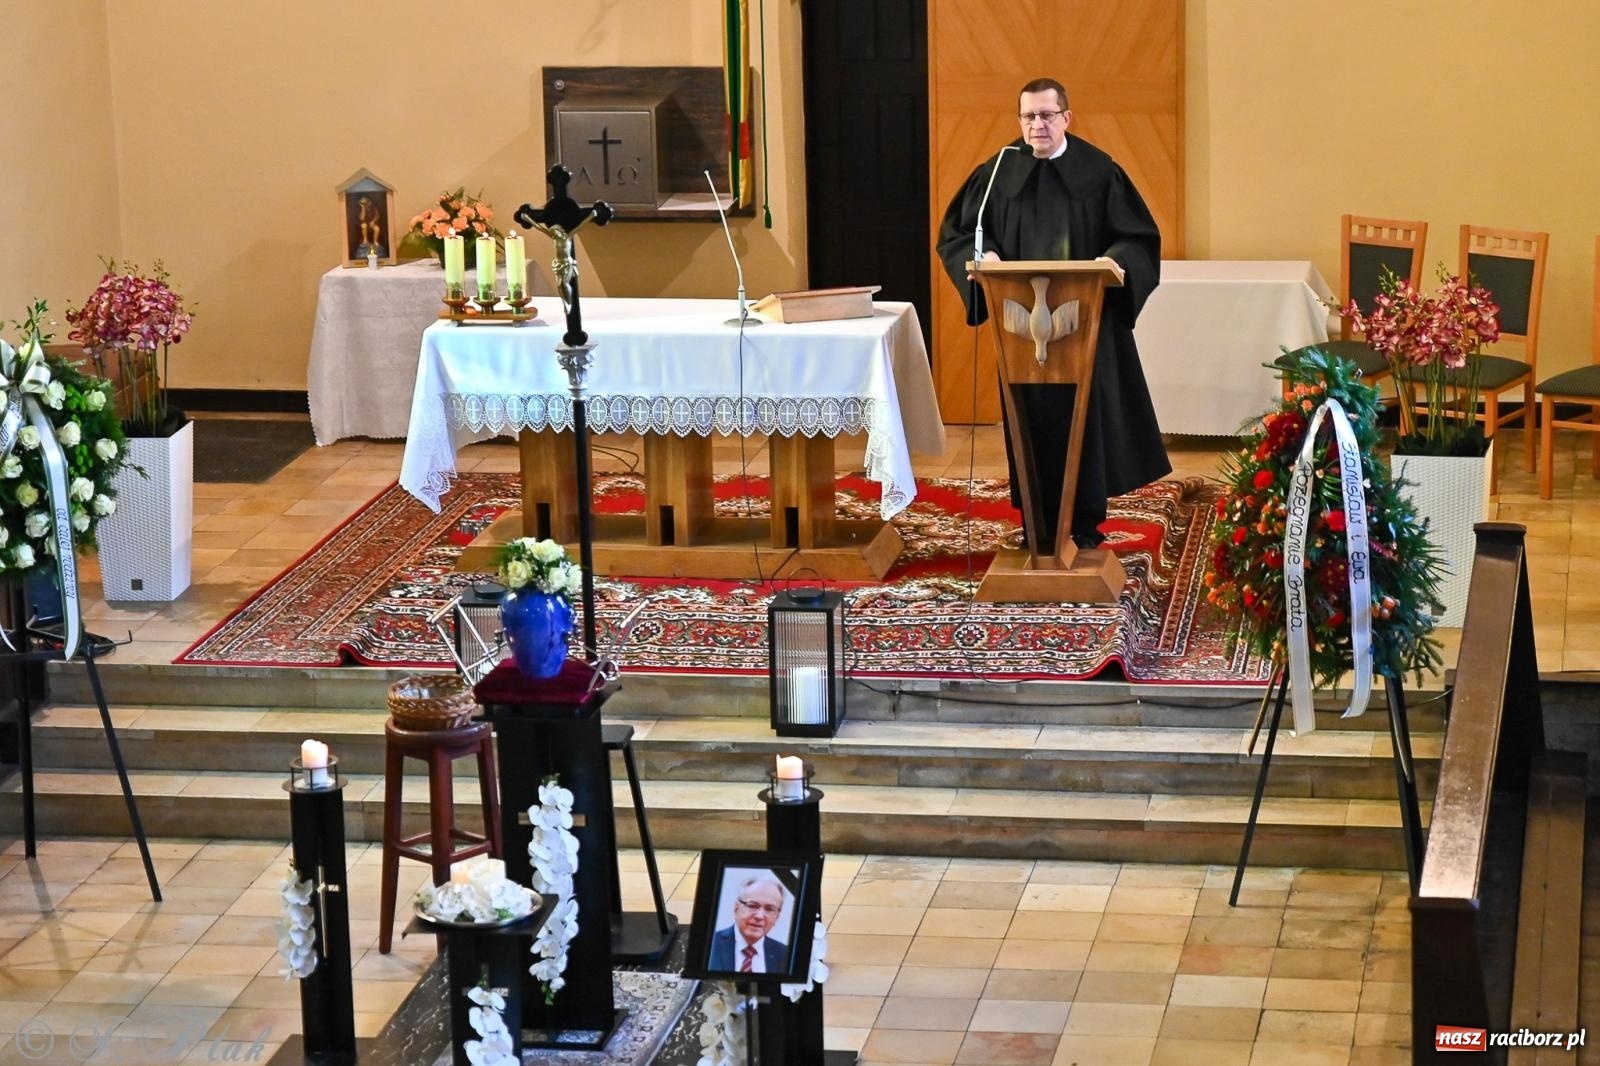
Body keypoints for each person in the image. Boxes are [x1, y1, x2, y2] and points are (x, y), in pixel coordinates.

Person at [936, 77, 1170, 553]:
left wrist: (1115, 260)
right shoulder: (997, 172)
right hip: (1019, 327)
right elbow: (959, 233)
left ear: (1066, 117)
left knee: (1084, 422)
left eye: (1046, 115)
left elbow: (1137, 237)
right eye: (1028, 116)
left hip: (1083, 325)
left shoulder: (1099, 172)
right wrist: (989, 256)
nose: (1037, 125)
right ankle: (1035, 526)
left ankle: (1084, 524)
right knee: (1030, 418)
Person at [708, 872, 790, 975]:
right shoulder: (710, 944)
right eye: (752, 906)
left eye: (769, 909)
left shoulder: (785, 955)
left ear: (777, 916)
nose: (759, 916)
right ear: (736, 907)